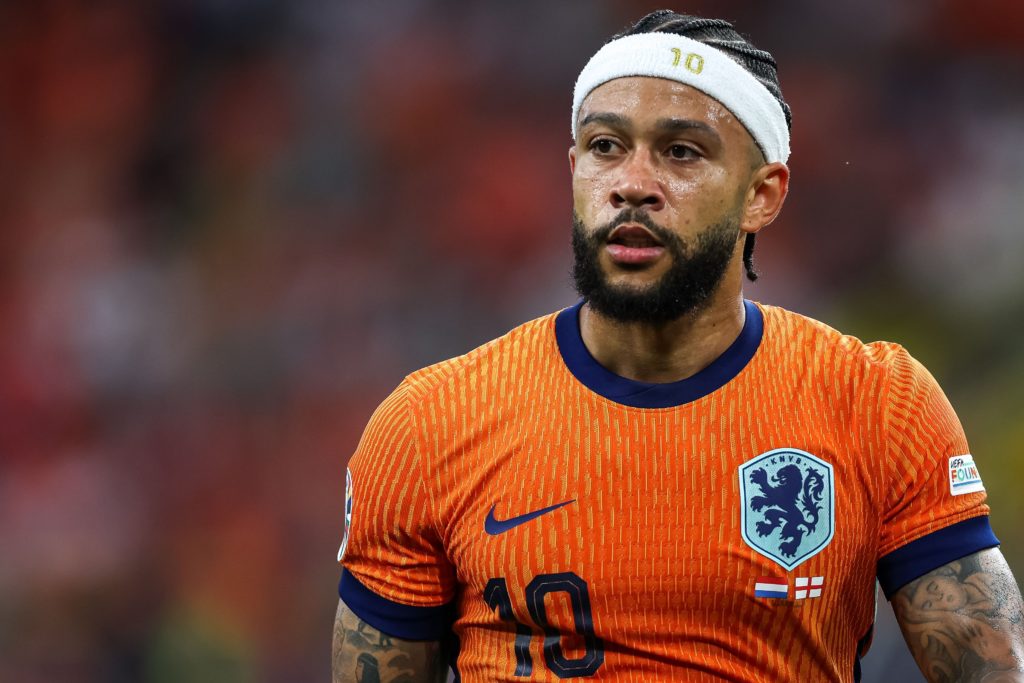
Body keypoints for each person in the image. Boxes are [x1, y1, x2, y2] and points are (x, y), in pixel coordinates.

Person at [331, 10, 1024, 682]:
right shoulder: (430, 424)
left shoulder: (877, 404)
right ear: (574, 169)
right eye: (606, 146)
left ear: (762, 195)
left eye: (681, 152)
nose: (632, 184)